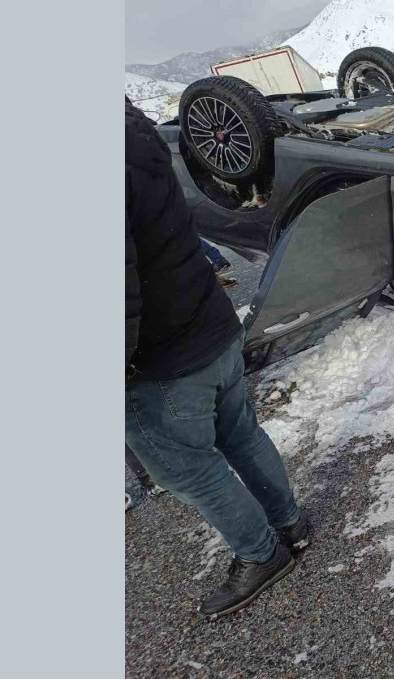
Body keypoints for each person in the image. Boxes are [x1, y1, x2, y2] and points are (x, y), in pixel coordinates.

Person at [125, 99, 310, 618]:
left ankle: (261, 555)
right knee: (240, 432)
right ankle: (289, 521)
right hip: (209, 322)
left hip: (160, 359)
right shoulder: (133, 131)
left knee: (192, 468)